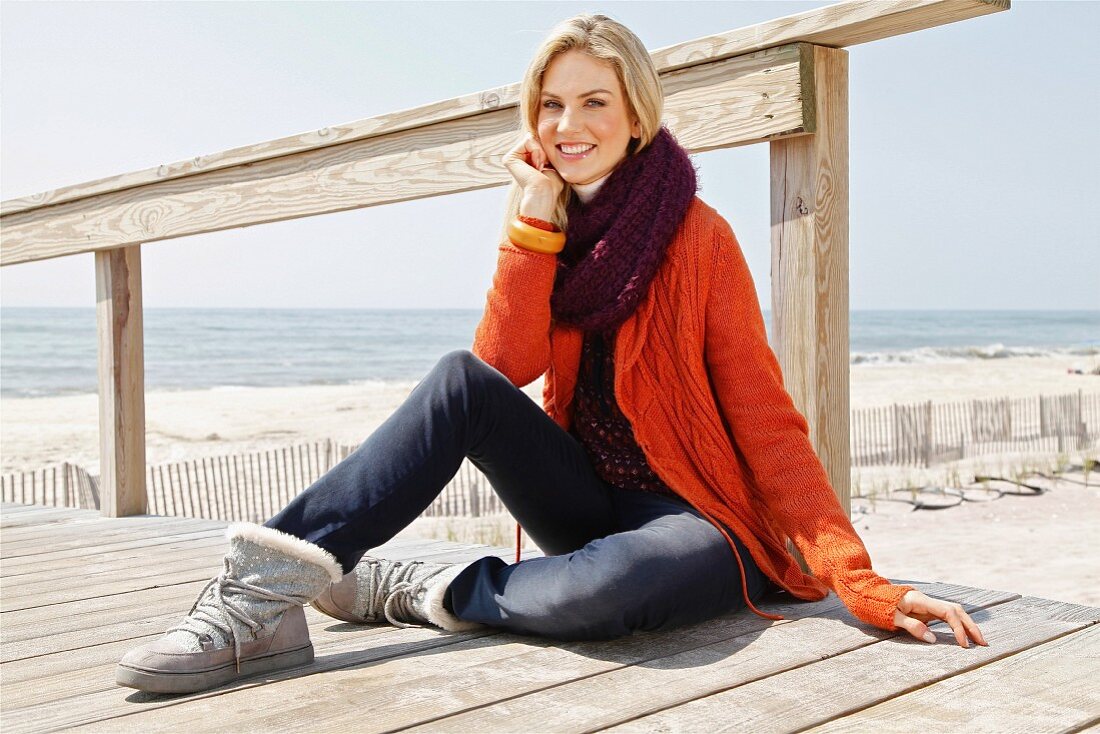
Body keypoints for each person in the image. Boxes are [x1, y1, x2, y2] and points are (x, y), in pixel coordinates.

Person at [116, 12, 987, 695]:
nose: (570, 124)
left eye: (594, 101)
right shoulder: (546, 223)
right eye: (552, 104)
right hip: (584, 501)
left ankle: (420, 585)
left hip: (695, 523)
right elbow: (503, 369)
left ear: (637, 113)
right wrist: (533, 226)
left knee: (594, 596)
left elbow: (764, 415)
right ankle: (262, 592)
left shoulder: (699, 237)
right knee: (459, 379)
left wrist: (857, 578)